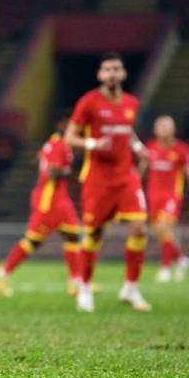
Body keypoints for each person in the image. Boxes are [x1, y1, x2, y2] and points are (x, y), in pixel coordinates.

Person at [64, 52, 151, 313]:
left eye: (116, 69)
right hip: (97, 179)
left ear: (123, 74)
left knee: (140, 229)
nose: (112, 73)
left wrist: (138, 147)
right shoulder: (89, 102)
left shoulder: (132, 103)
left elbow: (127, 130)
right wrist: (93, 143)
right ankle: (86, 287)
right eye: (107, 70)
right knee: (94, 234)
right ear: (100, 75)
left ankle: (131, 287)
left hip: (126, 176)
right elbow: (70, 137)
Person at [0, 119, 83, 297]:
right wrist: (70, 170)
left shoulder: (53, 144)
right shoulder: (58, 145)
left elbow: (38, 161)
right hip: (50, 201)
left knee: (72, 236)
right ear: (65, 128)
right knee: (34, 241)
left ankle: (76, 282)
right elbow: (54, 171)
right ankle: (0, 274)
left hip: (59, 198)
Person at [143, 115, 189, 282]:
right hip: (153, 195)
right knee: (161, 233)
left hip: (172, 195)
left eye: (166, 126)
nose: (163, 129)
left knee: (164, 227)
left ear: (173, 129)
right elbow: (141, 172)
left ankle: (165, 268)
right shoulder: (150, 147)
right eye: (160, 125)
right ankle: (181, 259)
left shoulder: (181, 149)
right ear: (155, 129)